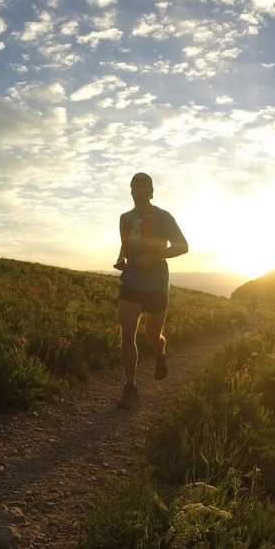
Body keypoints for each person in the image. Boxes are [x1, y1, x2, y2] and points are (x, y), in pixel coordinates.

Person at [113, 172, 188, 409]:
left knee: (152, 337)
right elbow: (126, 244)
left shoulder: (163, 217)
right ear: (131, 190)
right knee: (127, 334)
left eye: (143, 185)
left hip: (156, 285)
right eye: (134, 185)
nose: (138, 189)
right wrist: (120, 260)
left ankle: (160, 353)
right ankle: (130, 386)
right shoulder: (124, 218)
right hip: (131, 282)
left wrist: (154, 256)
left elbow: (183, 246)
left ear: (151, 191)